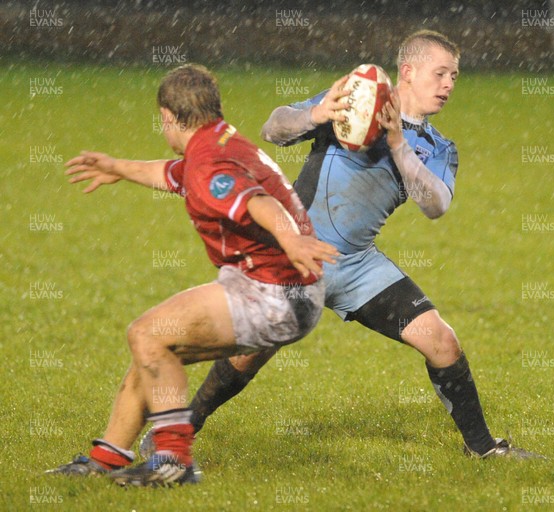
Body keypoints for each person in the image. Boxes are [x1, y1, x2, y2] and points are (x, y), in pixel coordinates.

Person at [147, 30, 542, 460]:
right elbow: (272, 128)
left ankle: (483, 449)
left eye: (455, 76)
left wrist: (395, 142)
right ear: (407, 72)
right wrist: (316, 113)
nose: (449, 84)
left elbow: (435, 205)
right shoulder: (354, 98)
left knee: (441, 340)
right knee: (247, 356)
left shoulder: (437, 146)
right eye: (441, 73)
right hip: (297, 254)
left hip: (357, 264)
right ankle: (182, 426)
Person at [46, 64, 339, 487]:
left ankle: (173, 462)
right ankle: (107, 457)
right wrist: (117, 167)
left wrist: (292, 241)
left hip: (277, 293)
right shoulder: (218, 140)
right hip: (277, 286)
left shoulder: (208, 164)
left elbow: (257, 203)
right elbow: (172, 175)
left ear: (168, 117)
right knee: (155, 351)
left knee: (147, 335)